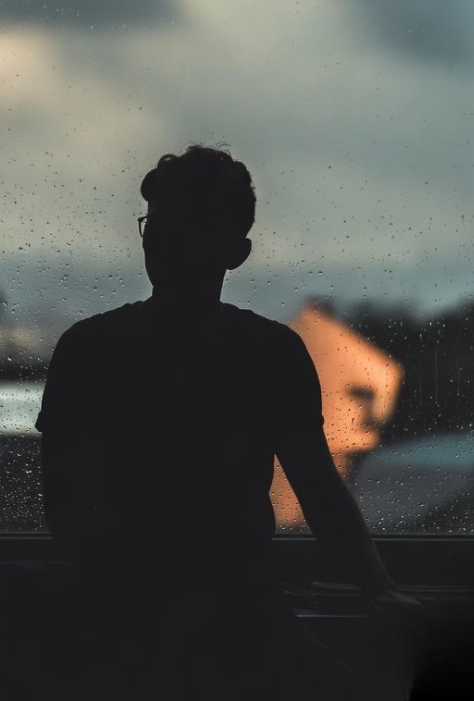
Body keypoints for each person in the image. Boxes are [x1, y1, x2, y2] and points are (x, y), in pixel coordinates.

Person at [35, 144, 419, 699]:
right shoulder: (267, 353)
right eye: (158, 224)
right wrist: (378, 590)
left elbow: (67, 512)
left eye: (182, 225)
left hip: (150, 617)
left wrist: (379, 589)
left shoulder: (92, 349)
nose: (161, 240)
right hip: (198, 615)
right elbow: (316, 485)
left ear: (234, 251)